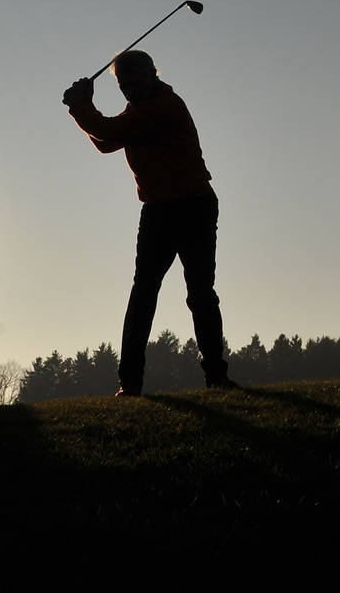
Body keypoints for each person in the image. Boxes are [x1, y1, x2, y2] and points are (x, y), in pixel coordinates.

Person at [63, 50, 236, 395]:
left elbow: (108, 129)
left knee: (199, 293)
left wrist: (82, 106)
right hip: (159, 208)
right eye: (124, 83)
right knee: (144, 294)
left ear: (153, 74)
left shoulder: (164, 107)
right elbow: (106, 142)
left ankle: (215, 377)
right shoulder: (137, 110)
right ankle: (130, 385)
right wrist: (79, 109)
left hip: (192, 205)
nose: (130, 87)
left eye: (137, 79)